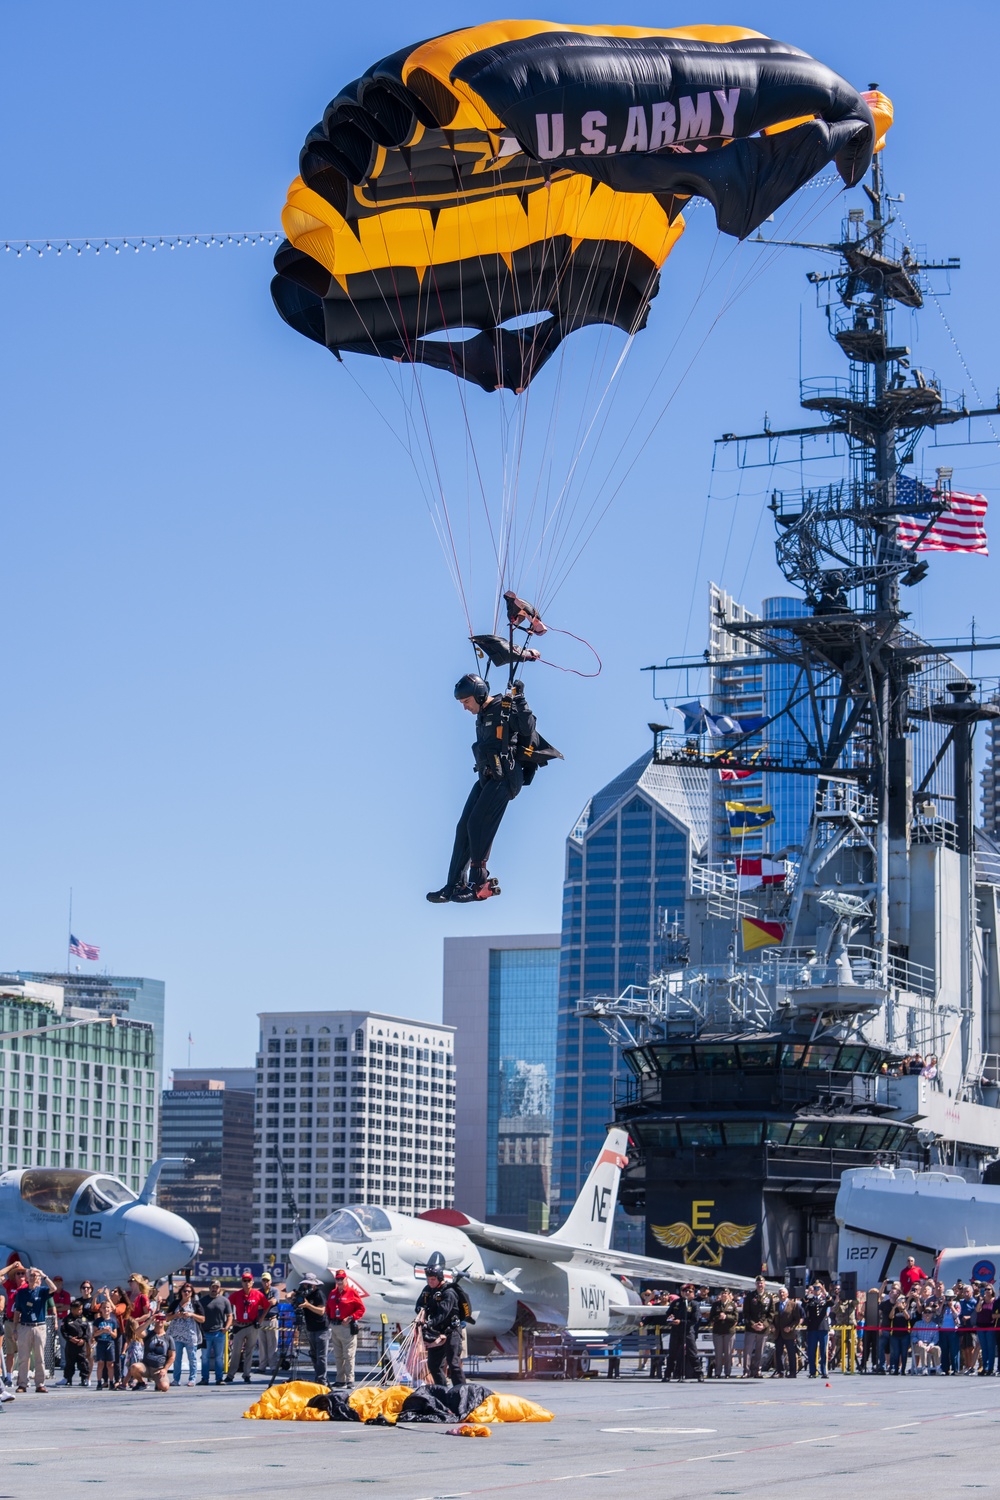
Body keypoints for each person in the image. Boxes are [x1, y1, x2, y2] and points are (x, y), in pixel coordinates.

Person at [427, 674, 558, 903]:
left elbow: (528, 727)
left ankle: (479, 883)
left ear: (478, 695)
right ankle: (454, 885)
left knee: (477, 823)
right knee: (463, 827)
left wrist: (520, 699)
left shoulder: (505, 707)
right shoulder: (484, 713)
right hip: (487, 778)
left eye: (466, 702)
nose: (465, 708)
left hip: (505, 778)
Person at [415, 1268, 465, 1386]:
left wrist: (429, 1323)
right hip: (437, 1332)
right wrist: (421, 1312)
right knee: (433, 1365)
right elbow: (419, 1304)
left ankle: (462, 1392)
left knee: (454, 1364)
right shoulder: (428, 1290)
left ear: (440, 1278)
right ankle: (442, 1391)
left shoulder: (449, 1292)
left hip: (451, 1331)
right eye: (428, 1279)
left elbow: (443, 1314)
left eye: (433, 1279)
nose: (430, 1282)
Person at [13, 1266, 56, 1393]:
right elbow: (17, 1311)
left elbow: (53, 1289)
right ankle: (22, 1384)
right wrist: (15, 1329)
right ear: (27, 1277)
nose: (33, 1277)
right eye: (31, 1275)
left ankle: (40, 1383)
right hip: (25, 1326)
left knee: (40, 1357)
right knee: (23, 1357)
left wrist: (44, 1275)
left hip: (39, 1326)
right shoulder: (21, 1293)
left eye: (35, 1275)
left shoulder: (42, 1291)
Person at [226, 1270, 269, 1384]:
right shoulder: (237, 1294)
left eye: (248, 1280)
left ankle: (247, 1374)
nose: (246, 1283)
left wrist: (261, 1319)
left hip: (252, 1326)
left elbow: (267, 1305)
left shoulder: (257, 1294)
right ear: (242, 1282)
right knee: (236, 1351)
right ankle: (231, 1374)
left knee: (249, 1351)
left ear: (252, 1282)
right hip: (239, 1325)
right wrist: (231, 1318)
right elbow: (227, 1304)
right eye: (244, 1281)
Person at [325, 1270, 366, 1390]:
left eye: (341, 1279)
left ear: (346, 1279)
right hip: (335, 1326)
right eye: (337, 1279)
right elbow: (328, 1308)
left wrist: (351, 1317)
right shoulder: (333, 1293)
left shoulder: (352, 1292)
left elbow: (361, 1309)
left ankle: (349, 1380)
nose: (339, 1281)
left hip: (346, 1327)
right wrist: (329, 1321)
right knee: (338, 1355)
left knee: (348, 1355)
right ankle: (340, 1379)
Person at [166, 1280, 203, 1386]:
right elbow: (167, 1318)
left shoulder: (195, 1304)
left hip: (190, 1335)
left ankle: (192, 1379)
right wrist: (176, 1315)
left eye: (189, 1291)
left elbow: (202, 1319)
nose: (186, 1293)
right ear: (181, 1292)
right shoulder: (175, 1303)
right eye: (184, 1291)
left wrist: (191, 1315)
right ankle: (176, 1379)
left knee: (192, 1357)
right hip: (176, 1335)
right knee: (176, 1358)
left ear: (192, 1293)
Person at [663, 1286, 703, 1383]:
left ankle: (699, 1374)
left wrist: (681, 1321)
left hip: (688, 1331)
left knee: (692, 1354)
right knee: (672, 1354)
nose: (687, 1293)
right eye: (685, 1291)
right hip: (676, 1331)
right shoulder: (676, 1303)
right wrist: (670, 1318)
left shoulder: (694, 1304)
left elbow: (695, 1319)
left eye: (690, 1291)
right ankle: (668, 1375)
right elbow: (668, 1313)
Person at [128, 1312, 175, 1391]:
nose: (160, 1321)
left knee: (164, 1387)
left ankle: (158, 1384)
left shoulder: (168, 1338)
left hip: (158, 1369)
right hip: (146, 1366)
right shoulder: (149, 1333)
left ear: (165, 1320)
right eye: (158, 1318)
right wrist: (149, 1321)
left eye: (162, 1318)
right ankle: (141, 1382)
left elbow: (172, 1356)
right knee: (134, 1367)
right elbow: (137, 1332)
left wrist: (165, 1369)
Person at [198, 1279, 233, 1386]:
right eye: (213, 1287)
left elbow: (230, 1316)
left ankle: (219, 1378)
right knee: (205, 1357)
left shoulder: (224, 1301)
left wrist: (226, 1328)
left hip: (219, 1333)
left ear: (219, 1288)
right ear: (209, 1288)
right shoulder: (202, 1301)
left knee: (219, 1357)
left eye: (216, 1287)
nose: (214, 1289)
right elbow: (198, 1316)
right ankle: (205, 1378)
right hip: (206, 1333)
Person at [297, 1277, 331, 1384]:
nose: (306, 1286)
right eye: (306, 1284)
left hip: (321, 1329)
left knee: (321, 1356)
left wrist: (308, 1305)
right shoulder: (306, 1294)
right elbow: (294, 1300)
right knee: (313, 1354)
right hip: (311, 1328)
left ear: (314, 1285)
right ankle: (318, 1376)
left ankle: (322, 1379)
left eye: (309, 1284)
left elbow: (321, 1311)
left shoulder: (319, 1294)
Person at [741, 1277, 774, 1379]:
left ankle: (757, 1371)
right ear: (755, 1284)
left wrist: (764, 1324)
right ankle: (746, 1371)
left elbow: (771, 1313)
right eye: (758, 1283)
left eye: (762, 1283)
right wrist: (753, 1324)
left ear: (764, 1284)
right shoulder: (750, 1296)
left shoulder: (769, 1297)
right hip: (751, 1328)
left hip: (763, 1329)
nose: (760, 1285)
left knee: (760, 1351)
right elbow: (745, 1313)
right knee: (748, 1351)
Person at [802, 1283, 833, 1379]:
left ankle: (824, 1371)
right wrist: (809, 1293)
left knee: (823, 1351)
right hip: (812, 1328)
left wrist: (825, 1292)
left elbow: (832, 1303)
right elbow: (804, 1304)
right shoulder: (810, 1298)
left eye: (818, 1288)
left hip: (823, 1327)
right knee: (811, 1351)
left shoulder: (824, 1298)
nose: (816, 1290)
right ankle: (812, 1371)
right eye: (815, 1288)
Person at [707, 1288, 738, 1379]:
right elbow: (711, 1317)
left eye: (726, 1293)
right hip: (718, 1331)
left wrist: (726, 1317)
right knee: (718, 1353)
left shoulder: (732, 1305)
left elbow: (735, 1318)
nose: (724, 1295)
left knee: (728, 1353)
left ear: (729, 1295)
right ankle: (717, 1372)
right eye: (723, 1293)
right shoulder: (716, 1305)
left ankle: (727, 1373)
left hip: (729, 1331)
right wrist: (718, 1317)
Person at [772, 1288, 802, 1378]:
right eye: (780, 1293)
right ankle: (780, 1371)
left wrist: (790, 1327)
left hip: (789, 1333)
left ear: (787, 1294)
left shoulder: (793, 1305)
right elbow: (772, 1318)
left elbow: (797, 1319)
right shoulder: (775, 1305)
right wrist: (772, 1325)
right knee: (778, 1353)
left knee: (791, 1353)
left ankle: (792, 1372)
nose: (781, 1294)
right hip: (778, 1333)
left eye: (783, 1293)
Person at [62, 1298, 92, 1386]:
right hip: (71, 1345)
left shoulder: (83, 1319)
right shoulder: (67, 1319)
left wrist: (83, 1339)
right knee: (70, 1363)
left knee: (83, 1362)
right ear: (72, 1309)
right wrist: (70, 1338)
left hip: (81, 1345)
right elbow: (64, 1331)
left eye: (81, 1309)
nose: (80, 1311)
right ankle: (68, 1379)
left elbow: (87, 1331)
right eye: (78, 1309)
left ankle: (84, 1378)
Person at [256, 1272, 280, 1379]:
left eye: (267, 1280)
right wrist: (266, 1303)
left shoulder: (274, 1291)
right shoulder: (259, 1292)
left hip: (272, 1319)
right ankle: (262, 1366)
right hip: (261, 1320)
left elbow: (273, 1302)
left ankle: (273, 1366)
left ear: (271, 1281)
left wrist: (264, 1304)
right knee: (262, 1344)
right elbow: (256, 1306)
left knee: (272, 1344)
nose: (266, 1282)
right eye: (264, 1280)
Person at [92, 1299, 119, 1390]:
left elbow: (115, 1335)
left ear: (111, 1309)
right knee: (100, 1363)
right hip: (101, 1343)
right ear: (101, 1310)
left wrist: (110, 1332)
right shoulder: (98, 1321)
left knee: (110, 1364)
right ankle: (99, 1382)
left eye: (108, 1307)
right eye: (104, 1308)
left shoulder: (113, 1321)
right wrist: (102, 1331)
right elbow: (94, 1334)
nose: (106, 1309)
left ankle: (111, 1382)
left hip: (110, 1343)